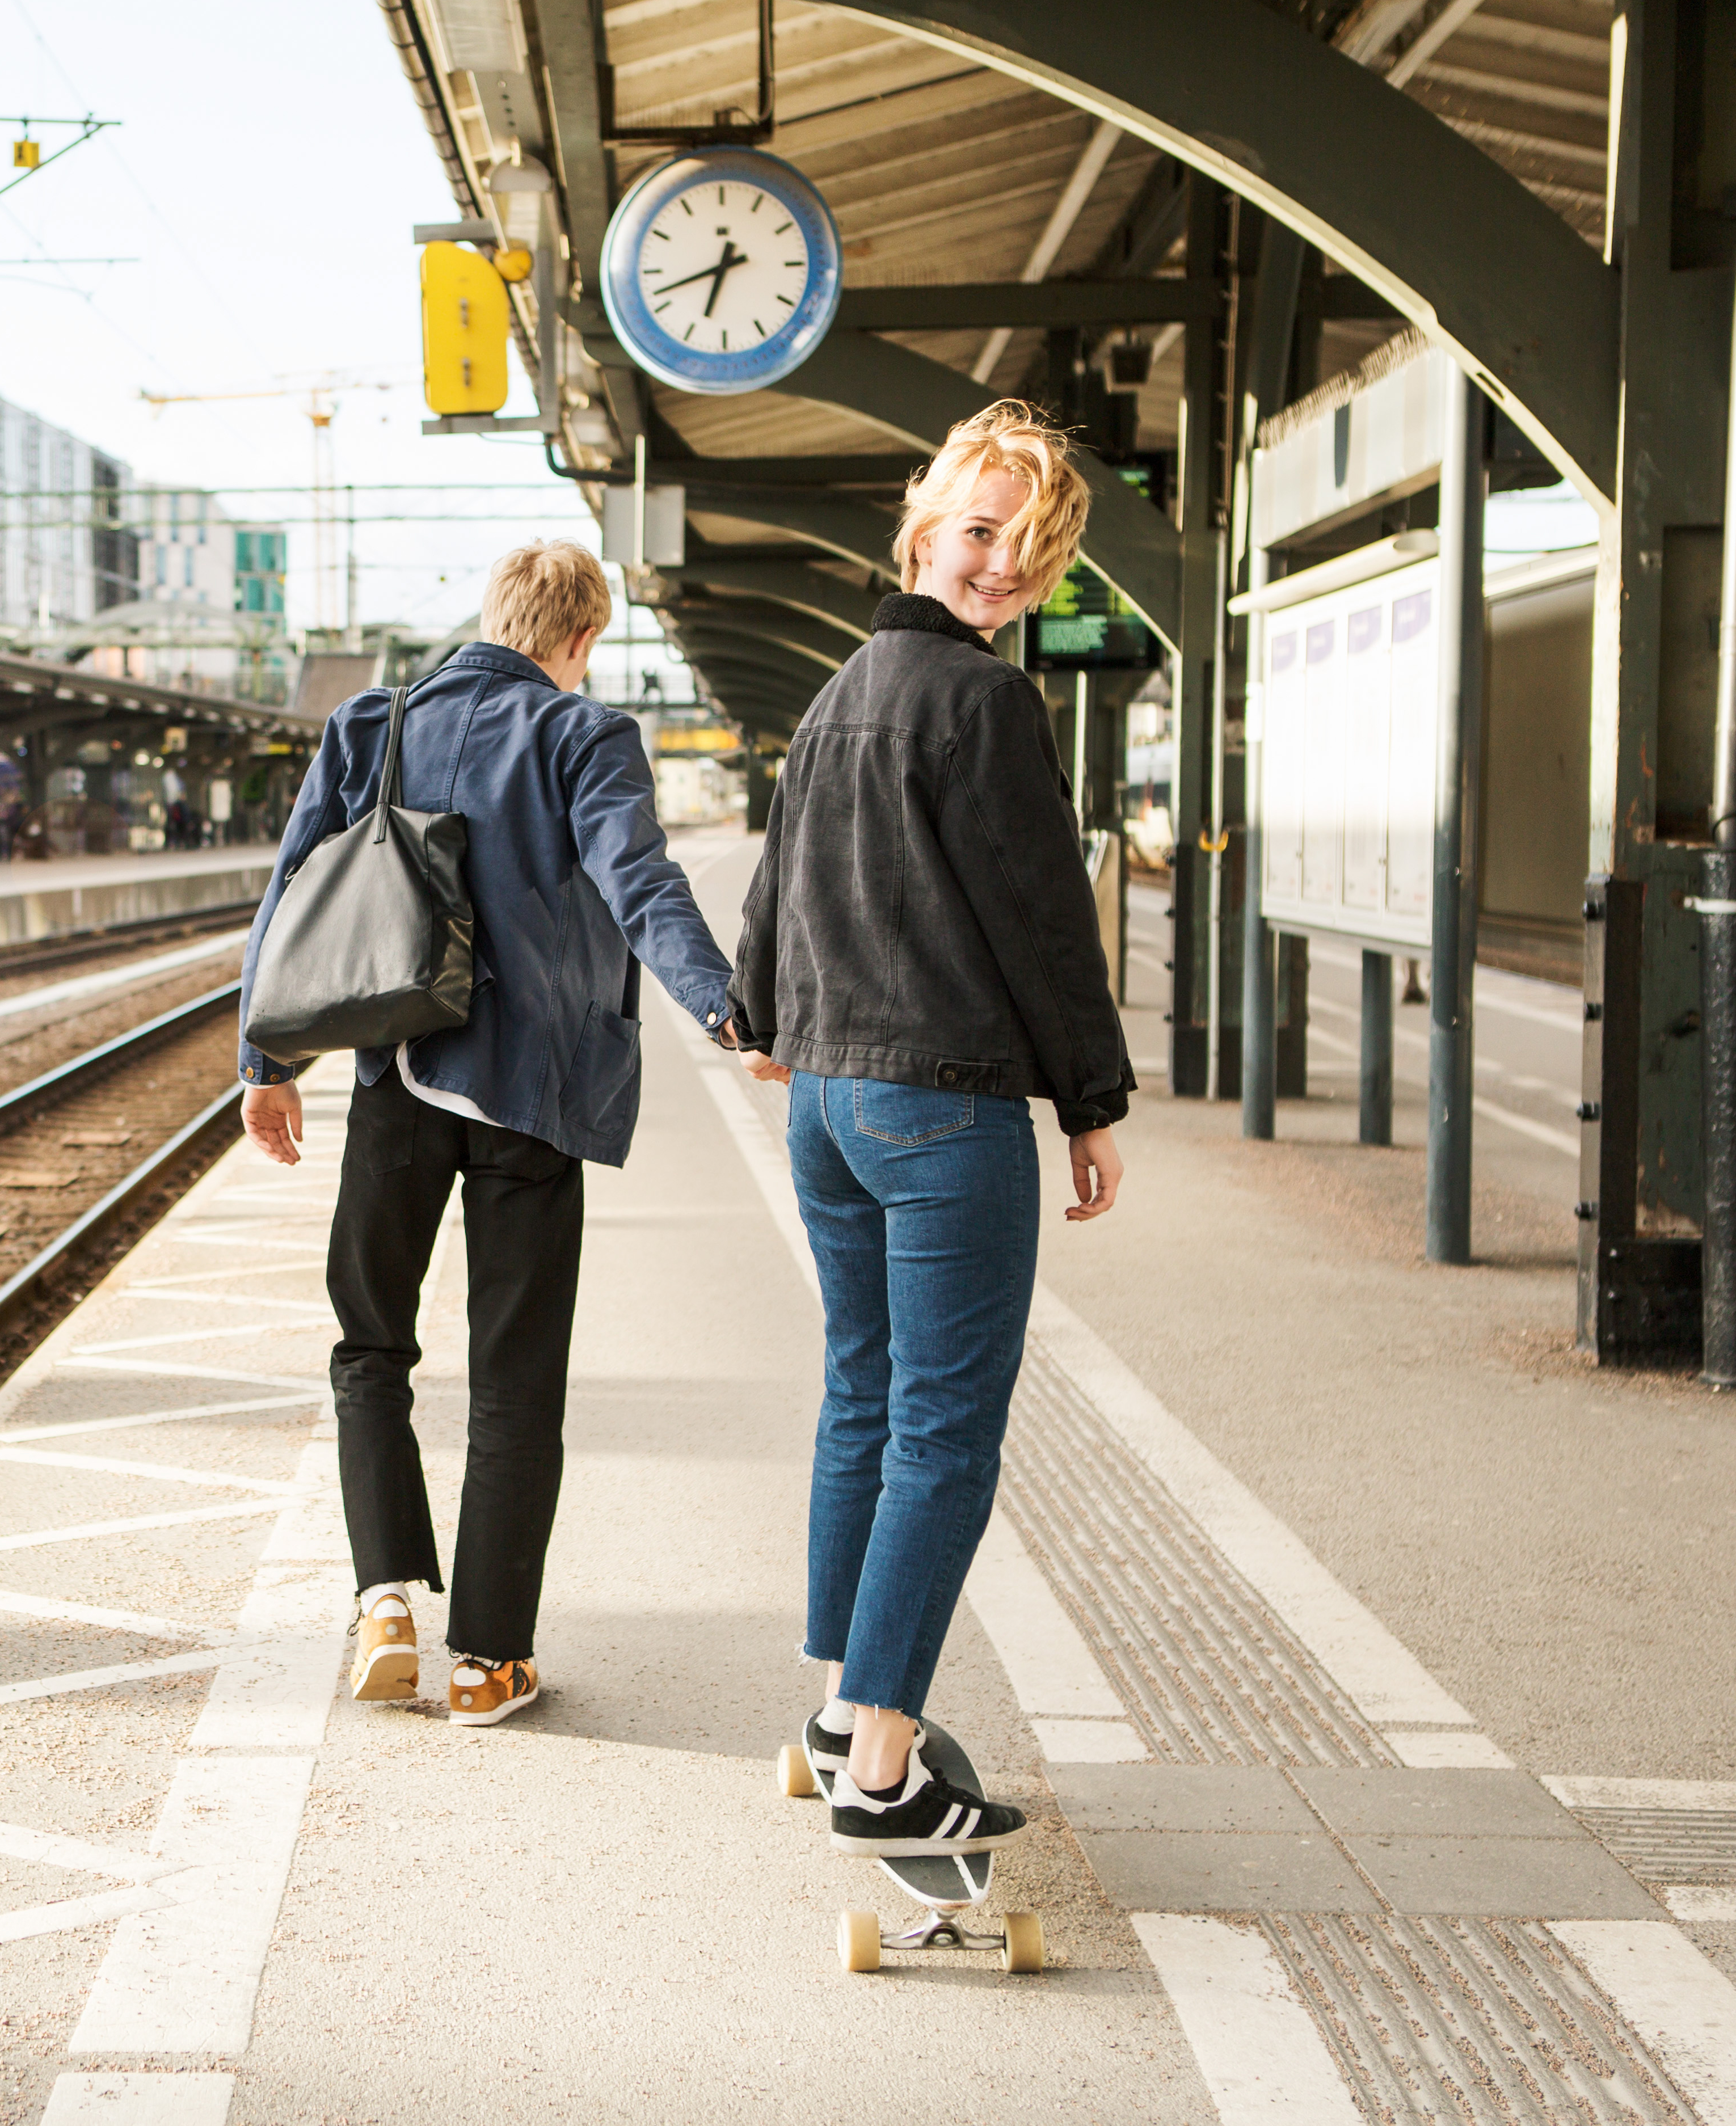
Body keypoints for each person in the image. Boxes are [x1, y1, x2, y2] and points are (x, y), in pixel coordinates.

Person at [237, 538, 740, 1729]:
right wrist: (724, 1004)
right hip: (530, 1099)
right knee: (515, 1381)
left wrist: (267, 1060)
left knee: (371, 1347)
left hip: (395, 1081)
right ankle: (489, 1661)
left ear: (492, 615)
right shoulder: (584, 736)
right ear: (578, 639)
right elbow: (642, 882)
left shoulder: (373, 722)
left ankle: (387, 1605)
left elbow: (294, 888)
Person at [730, 401, 1133, 1858]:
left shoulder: (836, 696)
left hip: (828, 1106)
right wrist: (1089, 1099)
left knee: (863, 1396)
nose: (998, 567)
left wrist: (765, 1021)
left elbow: (772, 897)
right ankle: (887, 1764)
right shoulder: (986, 705)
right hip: (941, 1107)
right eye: (981, 532)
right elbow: (1042, 921)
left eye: (1028, 554)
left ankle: (842, 1705)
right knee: (943, 1434)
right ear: (920, 525)